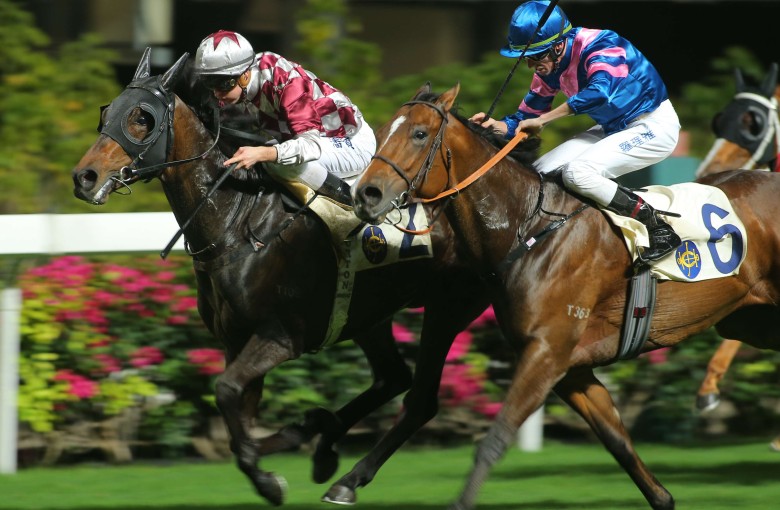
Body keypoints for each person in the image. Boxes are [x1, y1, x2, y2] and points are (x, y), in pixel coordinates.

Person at [470, 0, 682, 263]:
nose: (530, 65)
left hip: (653, 126)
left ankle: (658, 227)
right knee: (539, 175)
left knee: (577, 173)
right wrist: (496, 127)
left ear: (558, 45)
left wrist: (546, 119)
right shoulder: (550, 65)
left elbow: (600, 92)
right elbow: (527, 114)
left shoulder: (603, 44)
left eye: (535, 56)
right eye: (526, 58)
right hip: (612, 128)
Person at [193, 30, 376, 206]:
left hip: (349, 142)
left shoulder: (287, 83)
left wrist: (262, 153)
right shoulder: (239, 85)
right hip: (313, 139)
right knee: (269, 158)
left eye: (223, 85)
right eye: (211, 85)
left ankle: (353, 207)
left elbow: (309, 146)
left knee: (280, 163)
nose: (217, 94)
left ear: (245, 75)